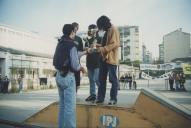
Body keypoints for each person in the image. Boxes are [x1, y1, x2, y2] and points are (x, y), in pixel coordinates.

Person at [53, 24, 86, 128]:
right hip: (68, 77)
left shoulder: (60, 43)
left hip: (59, 76)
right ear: (72, 32)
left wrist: (84, 52)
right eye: (74, 32)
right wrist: (81, 68)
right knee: (70, 109)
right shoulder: (72, 45)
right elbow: (76, 65)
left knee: (62, 106)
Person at [95, 15, 120, 105]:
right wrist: (98, 46)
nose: (101, 29)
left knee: (113, 80)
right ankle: (100, 98)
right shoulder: (107, 30)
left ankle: (113, 98)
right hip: (103, 58)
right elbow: (106, 43)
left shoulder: (113, 29)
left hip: (111, 59)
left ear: (104, 24)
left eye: (101, 27)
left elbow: (114, 44)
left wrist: (102, 49)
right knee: (101, 79)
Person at [84, 24, 101, 102]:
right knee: (91, 80)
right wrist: (87, 48)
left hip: (98, 62)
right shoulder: (87, 39)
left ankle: (101, 94)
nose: (91, 31)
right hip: (89, 62)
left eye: (92, 29)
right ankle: (92, 95)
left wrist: (96, 45)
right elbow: (85, 48)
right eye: (89, 29)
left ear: (96, 29)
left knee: (97, 79)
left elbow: (103, 46)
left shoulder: (100, 38)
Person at [72, 22, 84, 93]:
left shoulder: (79, 39)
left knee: (77, 80)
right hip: (68, 63)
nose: (76, 29)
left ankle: (75, 94)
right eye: (74, 27)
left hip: (76, 62)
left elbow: (80, 51)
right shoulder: (66, 37)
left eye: (77, 28)